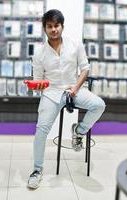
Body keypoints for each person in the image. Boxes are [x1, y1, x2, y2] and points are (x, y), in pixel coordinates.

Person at [27, 9, 106, 189]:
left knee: (99, 104)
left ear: (62, 26)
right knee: (41, 131)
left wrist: (75, 88)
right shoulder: (39, 54)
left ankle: (79, 131)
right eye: (49, 26)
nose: (53, 29)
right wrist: (37, 85)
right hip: (51, 93)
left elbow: (85, 69)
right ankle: (37, 170)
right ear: (44, 28)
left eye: (56, 26)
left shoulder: (75, 45)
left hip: (75, 88)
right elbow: (39, 80)